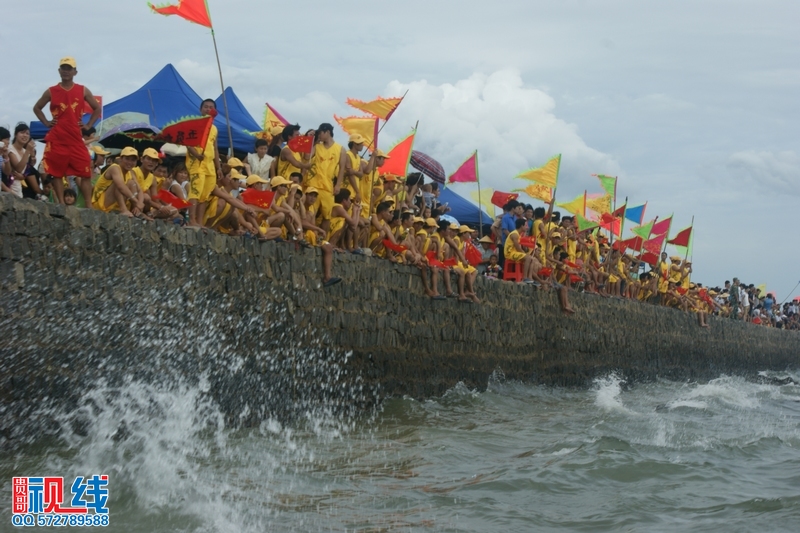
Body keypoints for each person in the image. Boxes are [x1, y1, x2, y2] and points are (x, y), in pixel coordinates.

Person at [33, 57, 100, 205]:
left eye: (69, 68)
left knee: (86, 170)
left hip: (76, 137)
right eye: (63, 68)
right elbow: (37, 108)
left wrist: (88, 125)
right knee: (57, 172)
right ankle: (61, 204)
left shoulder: (82, 90)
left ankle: (88, 205)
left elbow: (97, 108)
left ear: (75, 72)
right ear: (59, 71)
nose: (66, 71)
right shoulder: (51, 91)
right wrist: (46, 122)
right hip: (57, 136)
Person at [184, 99, 222, 227]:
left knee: (205, 194)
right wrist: (196, 155)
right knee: (195, 191)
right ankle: (192, 220)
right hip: (197, 163)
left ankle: (200, 222)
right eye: (205, 107)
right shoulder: (194, 124)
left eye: (211, 107)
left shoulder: (215, 128)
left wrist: (219, 167)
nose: (208, 109)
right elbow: (187, 143)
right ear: (201, 109)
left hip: (209, 165)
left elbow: (215, 148)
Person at [306, 123, 346, 234]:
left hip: (328, 187)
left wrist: (338, 185)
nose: (319, 135)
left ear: (327, 132)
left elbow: (342, 168)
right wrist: (310, 140)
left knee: (326, 216)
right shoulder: (317, 146)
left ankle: (323, 239)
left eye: (320, 133)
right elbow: (306, 157)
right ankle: (311, 236)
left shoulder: (341, 149)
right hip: (314, 185)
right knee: (311, 212)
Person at [90, 147, 146, 217]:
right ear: (121, 159)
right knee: (118, 184)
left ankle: (136, 212)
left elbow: (140, 190)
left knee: (132, 183)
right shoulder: (114, 168)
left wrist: (139, 204)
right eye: (127, 159)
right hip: (100, 205)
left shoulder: (131, 172)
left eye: (133, 160)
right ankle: (124, 210)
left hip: (115, 204)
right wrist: (136, 201)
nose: (130, 162)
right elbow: (120, 187)